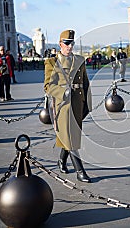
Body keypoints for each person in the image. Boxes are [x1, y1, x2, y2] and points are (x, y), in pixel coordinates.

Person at [44, 29, 92, 183]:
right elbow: (48, 86)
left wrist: (88, 103)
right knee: (70, 138)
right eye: (66, 43)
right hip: (63, 105)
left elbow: (85, 83)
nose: (69, 46)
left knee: (72, 135)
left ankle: (61, 160)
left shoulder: (79, 60)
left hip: (78, 103)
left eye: (71, 43)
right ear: (60, 44)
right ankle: (80, 171)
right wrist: (62, 92)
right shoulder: (52, 62)